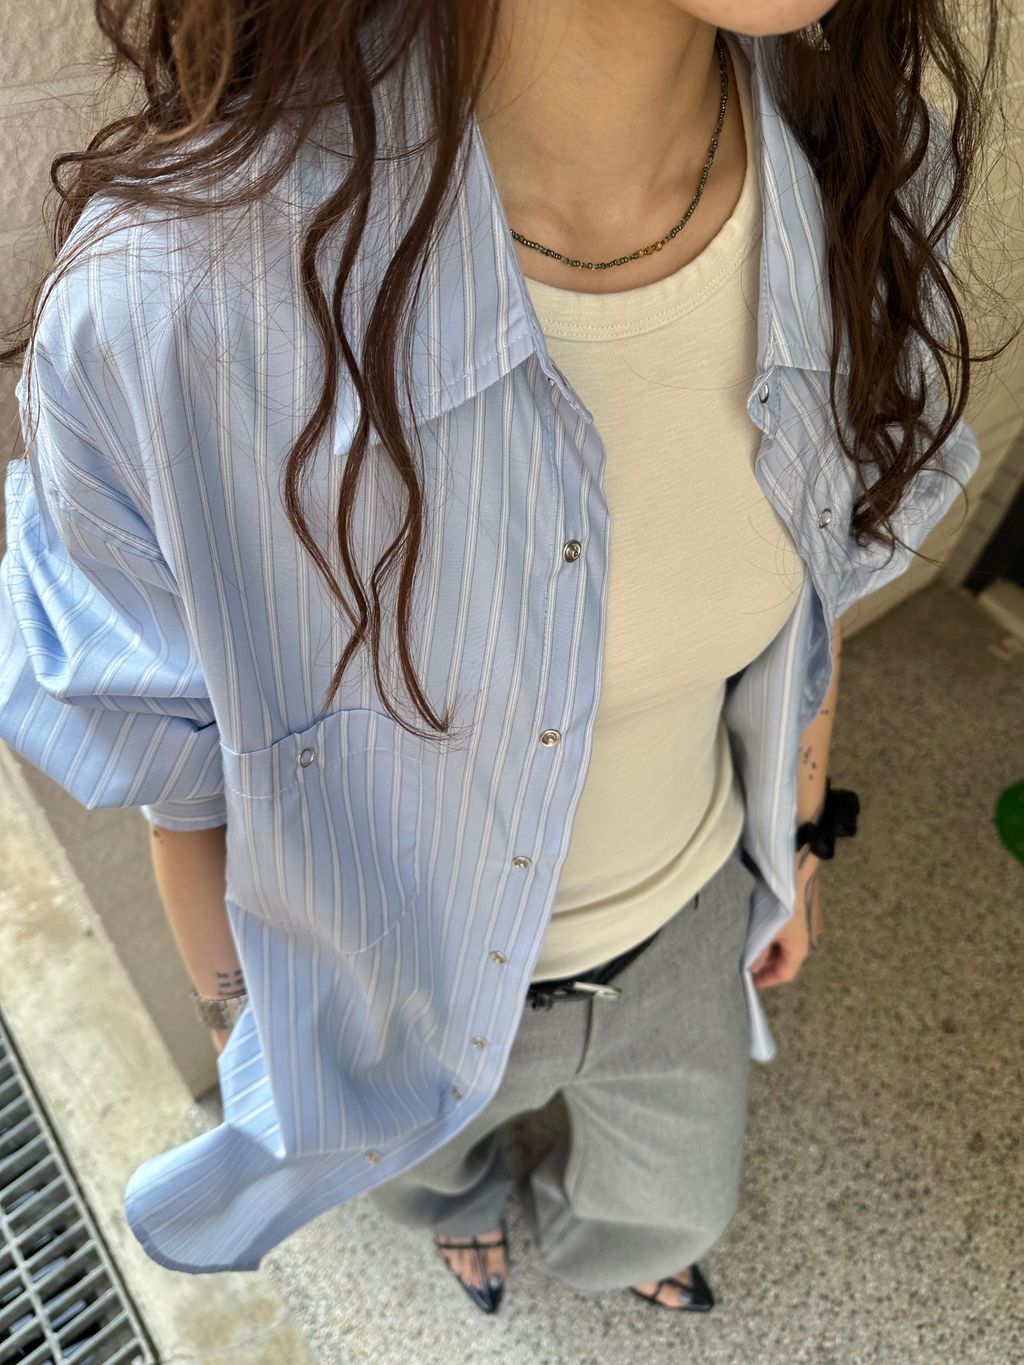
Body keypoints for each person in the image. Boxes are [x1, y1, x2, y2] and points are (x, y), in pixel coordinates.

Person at [0, 0, 1001, 1323]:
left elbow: (819, 600)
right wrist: (260, 1043)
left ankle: (618, 1244)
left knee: (673, 1193)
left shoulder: (863, 168)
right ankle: (458, 1210)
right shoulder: (179, 308)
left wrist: (799, 846)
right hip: (389, 986)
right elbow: (179, 775)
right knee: (418, 1174)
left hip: (696, 911)